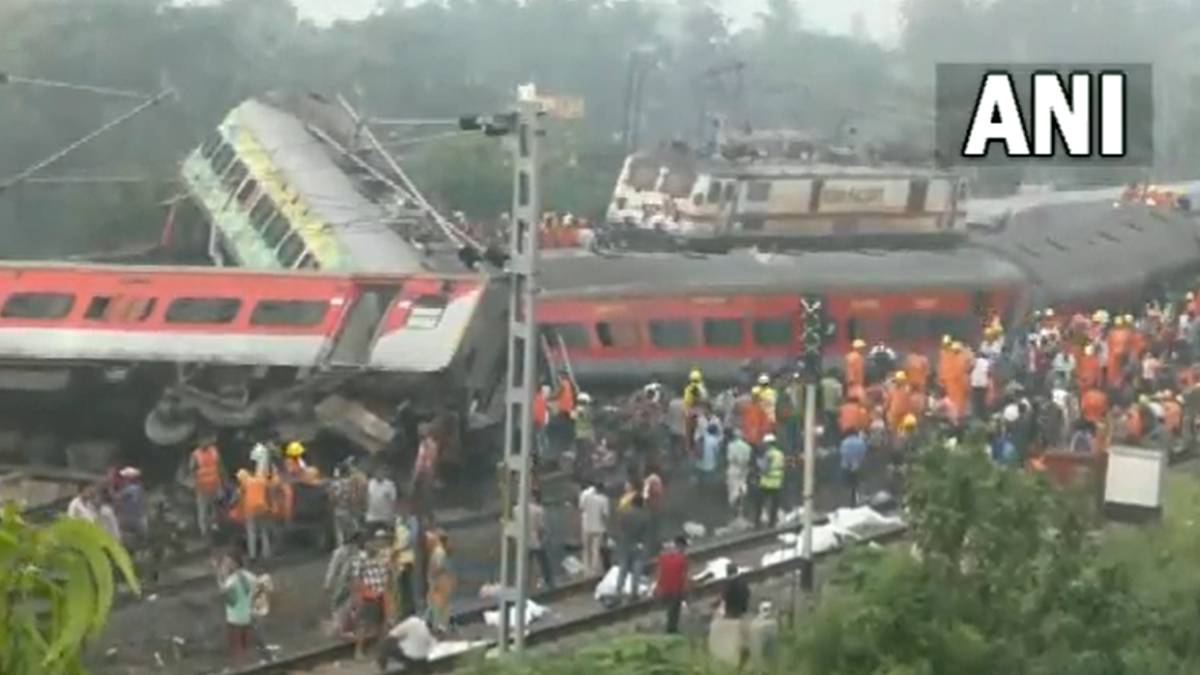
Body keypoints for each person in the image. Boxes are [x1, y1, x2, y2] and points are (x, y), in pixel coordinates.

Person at [352, 531, 392, 659]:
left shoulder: (383, 555)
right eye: (369, 542)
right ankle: (359, 651)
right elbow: (356, 578)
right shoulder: (360, 558)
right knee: (364, 624)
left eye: (373, 542)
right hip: (369, 594)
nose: (372, 545)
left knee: (382, 623)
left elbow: (389, 570)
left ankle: (380, 650)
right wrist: (358, 596)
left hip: (382, 593)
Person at [217, 551, 256, 666]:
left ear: (233, 564)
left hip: (235, 621)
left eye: (226, 563)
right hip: (249, 619)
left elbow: (232, 601)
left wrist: (222, 586)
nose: (224, 566)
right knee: (248, 648)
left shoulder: (231, 581)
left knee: (237, 651)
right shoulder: (251, 576)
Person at [614, 494, 650, 604]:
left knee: (623, 569)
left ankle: (618, 592)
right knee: (637, 570)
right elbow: (647, 534)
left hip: (625, 545)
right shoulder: (645, 516)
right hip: (638, 545)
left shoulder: (624, 514)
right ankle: (634, 593)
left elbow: (619, 529)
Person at [654, 535, 689, 634]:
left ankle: (670, 628)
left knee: (670, 610)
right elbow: (684, 577)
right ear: (681, 546)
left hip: (664, 589)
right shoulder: (683, 559)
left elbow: (659, 573)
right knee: (674, 611)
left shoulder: (663, 557)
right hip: (676, 589)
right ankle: (671, 629)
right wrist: (686, 590)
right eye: (684, 547)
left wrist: (658, 587)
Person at [190, 435, 224, 535]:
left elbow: (219, 466)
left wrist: (222, 483)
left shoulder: (214, 451)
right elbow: (192, 469)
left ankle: (214, 526)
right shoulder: (195, 454)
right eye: (202, 440)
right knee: (203, 508)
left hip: (214, 484)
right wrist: (194, 483)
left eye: (206, 440)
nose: (205, 442)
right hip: (202, 487)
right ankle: (203, 530)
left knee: (215, 507)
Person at [237, 469, 272, 561]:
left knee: (251, 532)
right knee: (264, 531)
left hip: (250, 510)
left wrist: (241, 513)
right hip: (262, 508)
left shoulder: (244, 483)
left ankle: (253, 555)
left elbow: (240, 498)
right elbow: (267, 490)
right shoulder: (260, 480)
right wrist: (269, 506)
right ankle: (266, 554)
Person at [425, 529, 455, 634]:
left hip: (439, 581)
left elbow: (438, 567)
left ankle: (439, 626)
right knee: (439, 604)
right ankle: (438, 625)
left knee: (438, 604)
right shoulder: (440, 551)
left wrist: (432, 576)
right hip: (442, 581)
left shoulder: (439, 552)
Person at [578, 481, 610, 576]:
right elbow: (605, 515)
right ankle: (594, 572)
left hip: (586, 526)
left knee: (586, 549)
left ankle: (586, 571)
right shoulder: (604, 499)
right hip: (599, 527)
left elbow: (581, 508)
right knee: (595, 550)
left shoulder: (584, 494)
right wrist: (606, 529)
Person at [754, 435, 784, 529]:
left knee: (760, 502)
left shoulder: (768, 454)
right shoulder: (780, 454)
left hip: (767, 482)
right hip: (777, 482)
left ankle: (757, 522)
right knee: (775, 503)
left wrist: (758, 464)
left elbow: (765, 468)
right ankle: (772, 523)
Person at [528, 490, 554, 590]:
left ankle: (527, 582)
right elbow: (541, 527)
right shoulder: (539, 510)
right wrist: (543, 538)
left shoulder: (518, 509)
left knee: (526, 563)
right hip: (536, 539)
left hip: (523, 540)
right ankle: (548, 581)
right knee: (543, 561)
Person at [725, 428, 753, 517]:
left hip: (734, 469)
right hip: (744, 469)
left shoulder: (731, 445)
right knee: (742, 487)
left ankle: (733, 511)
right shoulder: (747, 447)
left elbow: (729, 459)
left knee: (733, 490)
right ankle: (741, 508)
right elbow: (748, 460)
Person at [839, 430, 867, 508]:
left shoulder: (844, 442)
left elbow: (842, 453)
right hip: (856, 466)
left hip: (846, 466)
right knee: (857, 484)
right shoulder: (860, 442)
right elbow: (863, 453)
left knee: (848, 485)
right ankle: (857, 501)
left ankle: (848, 503)